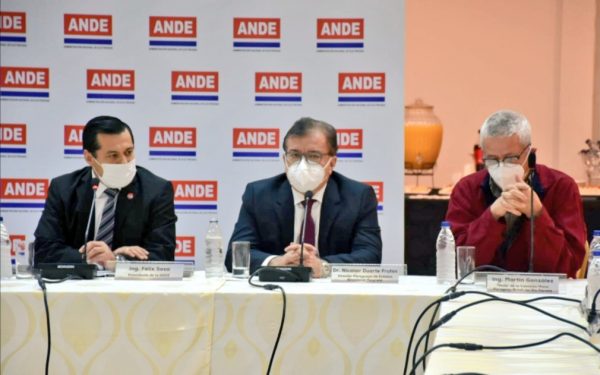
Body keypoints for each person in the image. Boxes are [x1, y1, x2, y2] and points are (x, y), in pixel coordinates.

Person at [225, 117, 382, 278]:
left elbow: (371, 256)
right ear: (284, 159)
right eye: (294, 155)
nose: (302, 165)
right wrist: (275, 262)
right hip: (275, 290)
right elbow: (235, 255)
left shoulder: (358, 196)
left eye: (314, 156)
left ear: (332, 162)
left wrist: (324, 266)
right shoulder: (259, 194)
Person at [446, 110, 586, 277]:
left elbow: (570, 265)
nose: (501, 166)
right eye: (491, 159)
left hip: (544, 296)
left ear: (530, 152)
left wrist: (539, 215)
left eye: (510, 158)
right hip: (481, 295)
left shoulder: (561, 187)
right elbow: (457, 264)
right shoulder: (467, 188)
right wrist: (491, 216)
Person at [34, 116, 177, 267]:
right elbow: (44, 252)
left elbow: (163, 256)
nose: (124, 162)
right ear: (90, 158)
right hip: (77, 287)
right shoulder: (63, 189)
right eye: (113, 155)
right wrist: (88, 258)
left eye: (128, 152)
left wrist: (116, 261)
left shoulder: (157, 191)